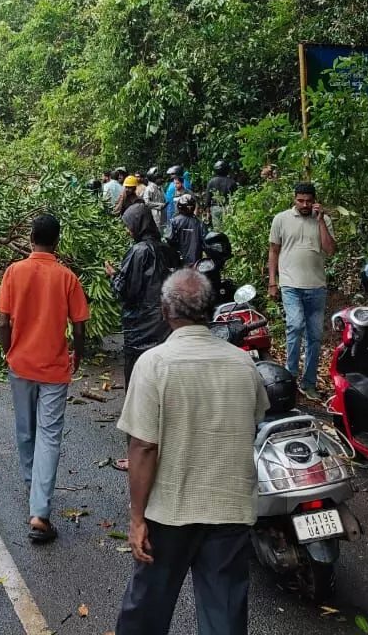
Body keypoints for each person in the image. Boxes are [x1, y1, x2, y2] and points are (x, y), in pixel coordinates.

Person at [114, 268, 269, 635]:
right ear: (210, 309)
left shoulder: (154, 364)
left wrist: (137, 519)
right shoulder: (243, 363)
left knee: (146, 610)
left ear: (165, 311)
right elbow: (256, 418)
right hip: (229, 508)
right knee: (224, 615)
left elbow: (143, 446)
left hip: (170, 511)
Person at [0, 213, 91, 544]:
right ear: (57, 241)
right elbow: (79, 325)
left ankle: (32, 487)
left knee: (26, 430)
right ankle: (40, 511)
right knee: (49, 436)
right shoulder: (67, 277)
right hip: (54, 368)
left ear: (30, 238)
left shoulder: (14, 272)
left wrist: (9, 352)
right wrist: (77, 355)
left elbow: (3, 321)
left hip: (21, 365)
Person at [105, 203, 170, 471]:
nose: (127, 230)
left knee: (137, 396)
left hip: (139, 332)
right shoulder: (164, 249)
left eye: (128, 225)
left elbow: (126, 292)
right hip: (163, 329)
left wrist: (113, 276)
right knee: (161, 394)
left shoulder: (139, 252)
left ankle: (137, 456)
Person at [267, 182, 336, 397]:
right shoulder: (281, 219)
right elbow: (273, 251)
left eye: (308, 201)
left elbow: (330, 250)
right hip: (290, 284)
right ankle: (290, 377)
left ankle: (308, 383)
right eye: (300, 201)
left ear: (315, 200)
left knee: (314, 336)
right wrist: (272, 281)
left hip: (317, 286)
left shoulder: (324, 220)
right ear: (294, 199)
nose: (304, 205)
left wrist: (321, 220)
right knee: (295, 326)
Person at [168, 193, 208, 267]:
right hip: (196, 261)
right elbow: (206, 241)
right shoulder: (199, 223)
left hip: (180, 261)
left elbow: (170, 239)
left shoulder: (174, 221)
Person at [205, 161, 239, 231]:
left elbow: (208, 198)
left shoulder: (211, 181)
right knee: (228, 229)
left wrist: (207, 212)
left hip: (215, 208)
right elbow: (236, 198)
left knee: (218, 230)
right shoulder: (231, 182)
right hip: (228, 208)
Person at [142, 168, 167, 232]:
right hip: (154, 214)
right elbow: (146, 202)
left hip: (162, 213)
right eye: (159, 178)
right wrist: (160, 205)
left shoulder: (160, 187)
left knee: (163, 230)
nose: (161, 179)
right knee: (157, 231)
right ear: (154, 178)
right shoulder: (148, 189)